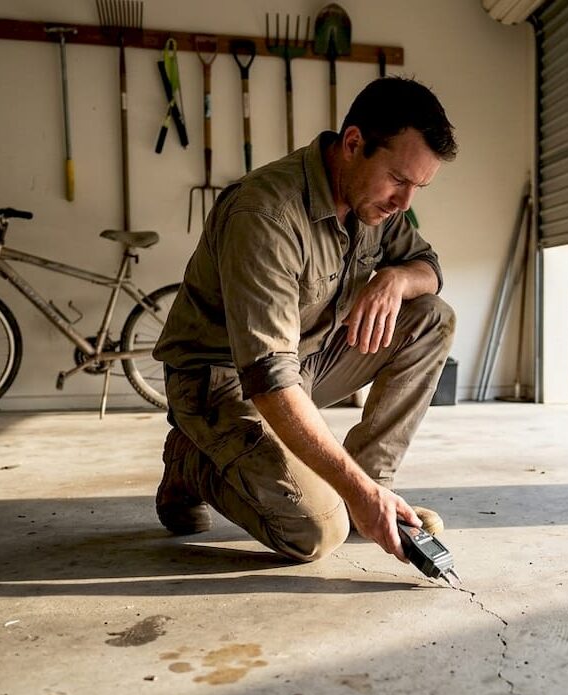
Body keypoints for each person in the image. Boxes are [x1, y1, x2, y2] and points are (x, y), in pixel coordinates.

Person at [152, 77, 458, 565]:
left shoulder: (374, 203)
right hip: (222, 382)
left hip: (306, 363)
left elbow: (431, 270)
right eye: (400, 180)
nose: (406, 203)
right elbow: (270, 379)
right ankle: (189, 460)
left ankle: (370, 487)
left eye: (419, 187)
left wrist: (396, 279)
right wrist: (347, 490)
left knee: (431, 317)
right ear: (354, 143)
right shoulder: (265, 215)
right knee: (315, 531)